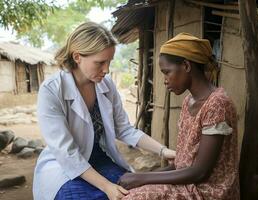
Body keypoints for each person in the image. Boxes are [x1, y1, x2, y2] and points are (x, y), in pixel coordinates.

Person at [32, 21, 175, 200]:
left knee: (134, 194)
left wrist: (164, 151)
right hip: (63, 166)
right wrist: (107, 186)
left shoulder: (106, 86)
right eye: (100, 63)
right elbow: (67, 153)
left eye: (109, 62)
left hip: (99, 159)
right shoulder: (52, 90)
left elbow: (124, 129)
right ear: (77, 57)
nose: (106, 70)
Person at [118, 33, 240, 200]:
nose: (165, 80)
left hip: (208, 191)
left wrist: (141, 177)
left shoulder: (217, 104)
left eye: (167, 72)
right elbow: (181, 163)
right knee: (128, 192)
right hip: (188, 183)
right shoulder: (188, 102)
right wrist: (144, 179)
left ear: (186, 66)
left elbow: (200, 172)